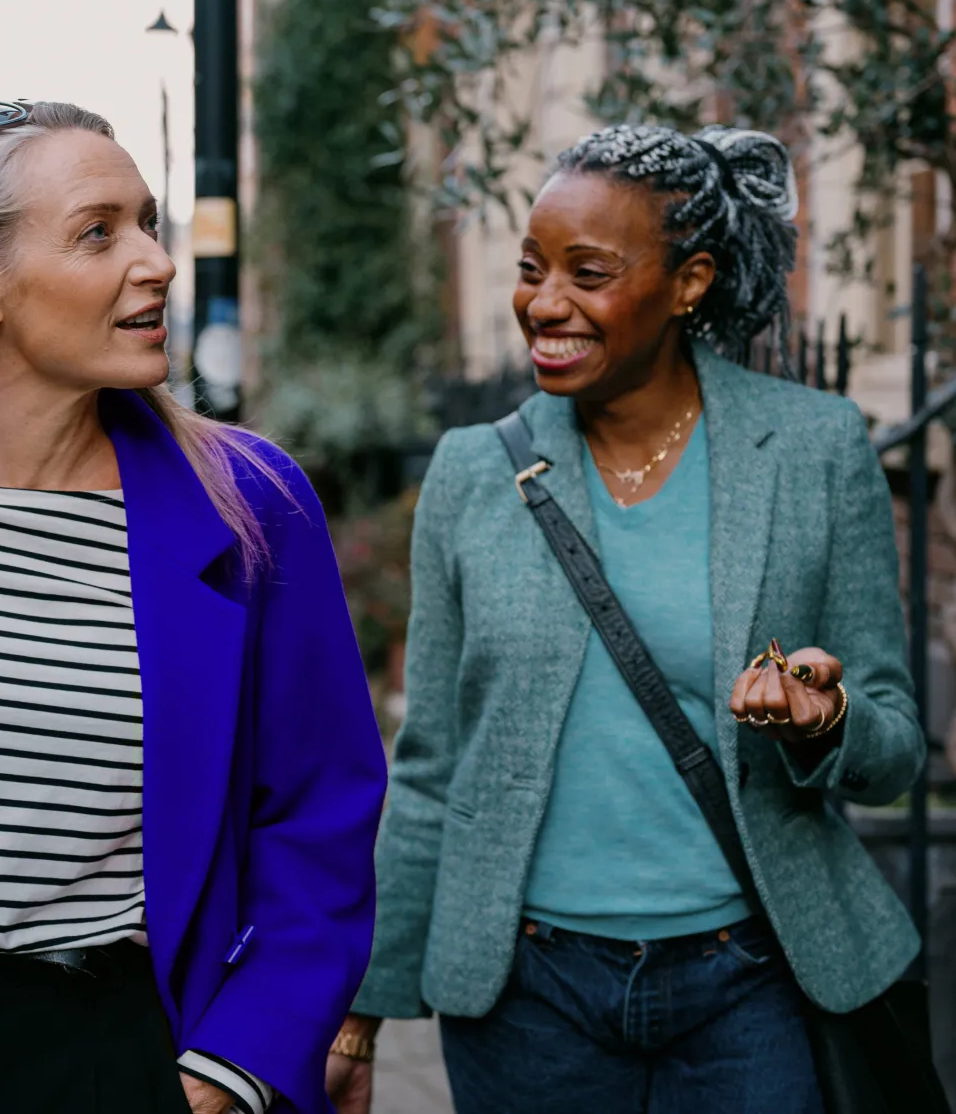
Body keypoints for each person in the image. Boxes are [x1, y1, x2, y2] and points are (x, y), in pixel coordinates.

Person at [0, 100, 387, 1114]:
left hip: (109, 1051)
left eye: (147, 221)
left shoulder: (247, 504)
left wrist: (230, 1069)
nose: (155, 261)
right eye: (99, 231)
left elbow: (318, 811)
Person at [325, 124, 925, 1114]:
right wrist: (362, 1012)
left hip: (752, 978)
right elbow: (431, 762)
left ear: (688, 281)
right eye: (530, 268)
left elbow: (894, 745)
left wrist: (827, 721)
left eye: (587, 271)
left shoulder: (812, 449)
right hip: (525, 995)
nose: (543, 302)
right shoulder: (473, 472)